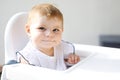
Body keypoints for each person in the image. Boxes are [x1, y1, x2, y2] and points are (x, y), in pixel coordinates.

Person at [16, 3, 80, 70]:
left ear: (62, 31)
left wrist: (71, 60)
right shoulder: (27, 58)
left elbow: (66, 63)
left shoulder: (62, 47)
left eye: (55, 30)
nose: (49, 34)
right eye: (42, 28)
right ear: (29, 30)